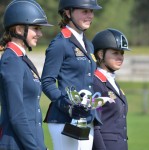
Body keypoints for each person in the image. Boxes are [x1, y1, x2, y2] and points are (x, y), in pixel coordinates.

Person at [41, 0, 102, 149]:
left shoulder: (89, 44)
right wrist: (67, 105)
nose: (90, 16)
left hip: (87, 118)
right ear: (68, 12)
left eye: (91, 11)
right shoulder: (60, 44)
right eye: (84, 11)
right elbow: (47, 82)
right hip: (64, 119)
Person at [0, 0, 52, 149]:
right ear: (18, 29)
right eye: (36, 28)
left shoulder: (21, 59)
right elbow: (16, 115)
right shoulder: (11, 61)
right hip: (16, 144)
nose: (40, 34)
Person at [91, 28, 130, 150]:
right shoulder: (95, 82)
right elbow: (94, 125)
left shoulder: (112, 82)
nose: (120, 57)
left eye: (122, 53)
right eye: (115, 53)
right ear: (101, 54)